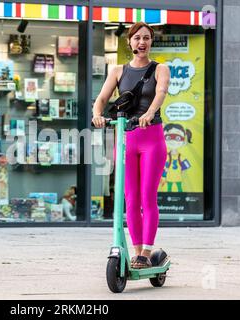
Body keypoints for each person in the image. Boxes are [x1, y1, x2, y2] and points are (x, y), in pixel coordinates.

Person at [92, 22, 170, 269]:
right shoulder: (118, 71)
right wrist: (97, 114)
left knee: (148, 196)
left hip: (151, 137)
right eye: (137, 38)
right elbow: (102, 99)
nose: (142, 42)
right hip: (126, 139)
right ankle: (136, 252)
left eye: (146, 38)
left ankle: (146, 252)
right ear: (130, 42)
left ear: (151, 41)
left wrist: (150, 112)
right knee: (130, 197)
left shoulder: (160, 69)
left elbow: (161, 92)